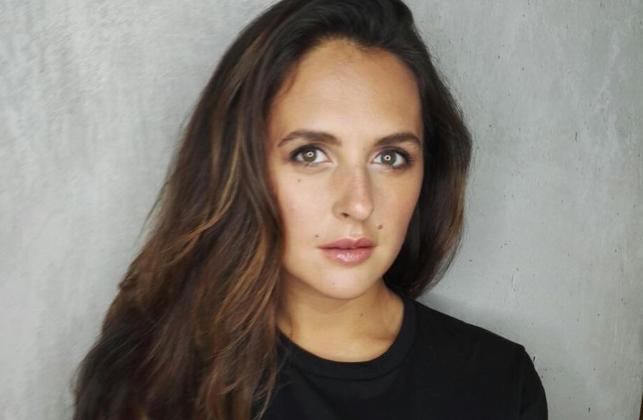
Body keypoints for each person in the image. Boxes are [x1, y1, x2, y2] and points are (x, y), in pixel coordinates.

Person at [71, 0, 548, 419]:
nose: (358, 203)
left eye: (390, 158)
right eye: (311, 154)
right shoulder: (154, 384)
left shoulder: (498, 384)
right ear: (243, 166)